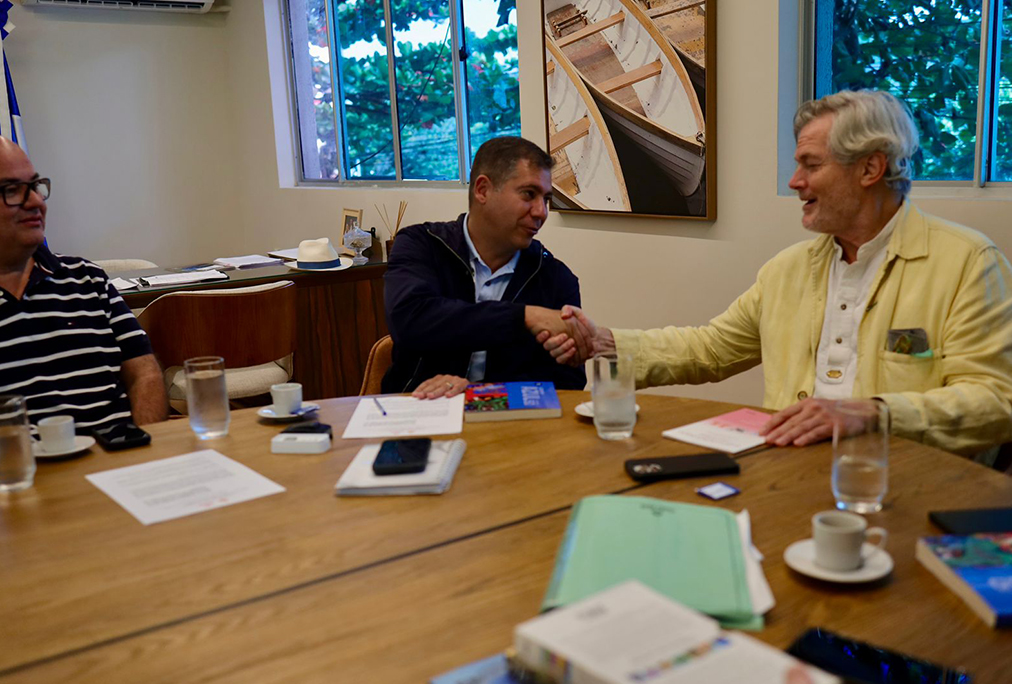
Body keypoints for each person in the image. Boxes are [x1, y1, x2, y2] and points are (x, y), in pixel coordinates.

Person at [542, 90, 1012, 459]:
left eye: (811, 164)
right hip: (785, 471)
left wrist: (876, 413)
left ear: (871, 168)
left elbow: (996, 402)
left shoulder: (967, 263)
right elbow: (710, 349)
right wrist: (605, 344)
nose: (795, 181)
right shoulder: (787, 271)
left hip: (906, 486)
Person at [382, 136, 587, 397]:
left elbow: (568, 384)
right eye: (528, 194)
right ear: (482, 190)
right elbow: (409, 322)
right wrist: (524, 317)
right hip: (419, 414)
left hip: (512, 425)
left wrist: (481, 394)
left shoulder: (556, 278)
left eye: (546, 199)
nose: (541, 212)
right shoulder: (422, 245)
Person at [0, 138, 167, 433]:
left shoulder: (87, 278)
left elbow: (144, 373)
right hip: (24, 474)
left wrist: (143, 447)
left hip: (116, 460)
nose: (37, 202)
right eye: (12, 190)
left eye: (35, 186)